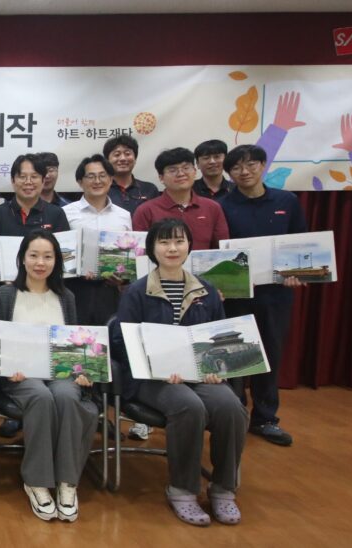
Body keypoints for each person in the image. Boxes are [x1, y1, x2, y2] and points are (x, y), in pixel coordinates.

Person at [112, 218, 247, 526]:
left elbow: (219, 337)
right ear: (152, 248)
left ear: (189, 246)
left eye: (178, 241)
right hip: (152, 378)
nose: (172, 248)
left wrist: (217, 368)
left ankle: (224, 488)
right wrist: (157, 367)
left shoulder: (206, 290)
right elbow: (121, 342)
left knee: (231, 406)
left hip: (200, 375)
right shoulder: (136, 292)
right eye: (164, 242)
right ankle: (182, 489)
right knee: (188, 406)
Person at [0, 230, 96, 522]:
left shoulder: (66, 297)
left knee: (67, 395)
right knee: (40, 396)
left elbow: (75, 343)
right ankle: (36, 481)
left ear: (56, 261)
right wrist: (6, 369)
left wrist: (82, 372)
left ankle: (67, 481)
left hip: (60, 372)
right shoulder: (5, 295)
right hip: (20, 375)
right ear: (22, 259)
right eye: (34, 255)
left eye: (48, 256)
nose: (40, 262)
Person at [219, 144, 307, 447]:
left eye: (251, 165)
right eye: (236, 167)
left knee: (270, 353)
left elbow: (300, 243)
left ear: (263, 165)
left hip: (275, 294)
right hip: (234, 294)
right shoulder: (222, 205)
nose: (244, 172)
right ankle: (234, 413)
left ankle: (266, 418)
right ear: (229, 173)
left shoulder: (287, 201)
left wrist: (297, 272)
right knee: (234, 354)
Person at [62, 155, 133, 325]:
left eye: (102, 176)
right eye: (91, 176)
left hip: (110, 290)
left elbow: (129, 254)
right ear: (80, 182)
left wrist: (122, 278)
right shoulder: (65, 213)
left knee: (110, 335)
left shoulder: (123, 215)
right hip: (74, 288)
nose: (97, 181)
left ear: (111, 179)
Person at [132, 148, 229, 250]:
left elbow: (222, 249)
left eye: (186, 168)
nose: (181, 174)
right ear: (161, 178)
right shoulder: (146, 211)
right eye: (172, 170)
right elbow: (141, 252)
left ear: (194, 172)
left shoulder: (212, 207)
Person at [0, 153, 70, 237]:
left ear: (43, 181)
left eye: (34, 176)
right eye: (22, 176)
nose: (28, 182)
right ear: (13, 181)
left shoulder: (56, 214)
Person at [103, 135, 160, 215]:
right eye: (117, 154)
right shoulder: (101, 189)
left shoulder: (149, 189)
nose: (123, 158)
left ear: (135, 159)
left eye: (127, 154)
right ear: (107, 160)